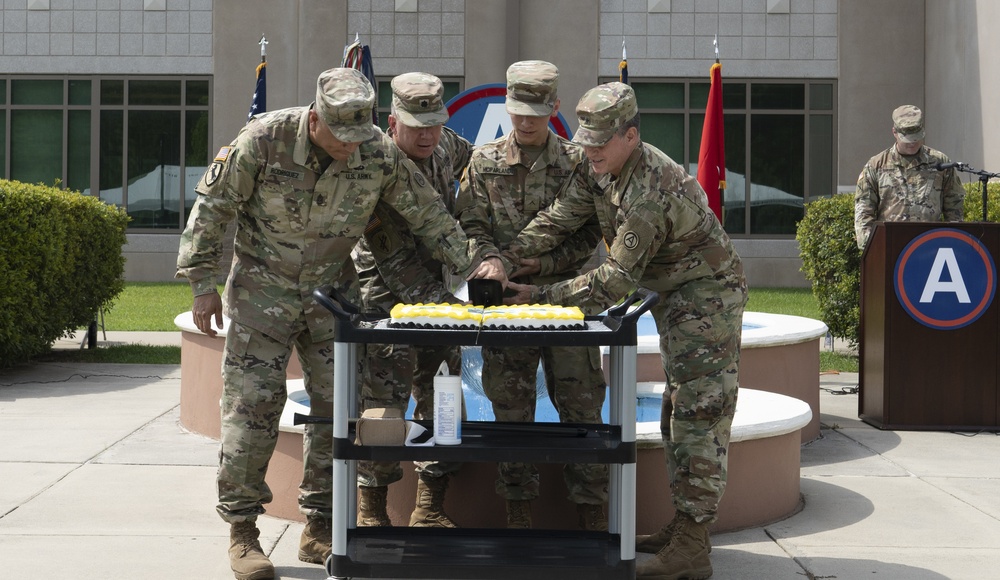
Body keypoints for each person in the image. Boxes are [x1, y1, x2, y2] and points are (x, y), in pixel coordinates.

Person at [176, 67, 506, 580]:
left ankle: (319, 527)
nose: (351, 149)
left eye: (360, 137)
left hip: (332, 297)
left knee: (339, 411)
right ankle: (243, 533)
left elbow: (428, 216)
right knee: (253, 407)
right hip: (262, 293)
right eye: (341, 138)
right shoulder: (264, 140)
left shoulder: (376, 150)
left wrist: (474, 263)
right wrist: (201, 281)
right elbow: (213, 208)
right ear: (316, 119)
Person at [503, 82, 747, 579]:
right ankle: (683, 530)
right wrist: (502, 258)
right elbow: (560, 218)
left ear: (630, 136)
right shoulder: (600, 167)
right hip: (674, 295)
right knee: (675, 412)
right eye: (585, 140)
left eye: (599, 142)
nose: (588, 150)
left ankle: (694, 547)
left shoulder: (648, 191)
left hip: (705, 296)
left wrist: (539, 298)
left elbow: (613, 280)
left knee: (699, 415)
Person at [455, 60, 609, 531]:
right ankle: (518, 514)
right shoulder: (482, 162)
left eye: (536, 113)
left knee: (581, 406)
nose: (525, 122)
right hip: (506, 308)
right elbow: (471, 223)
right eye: (519, 111)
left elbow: (592, 230)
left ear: (555, 107)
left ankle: (592, 516)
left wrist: (540, 268)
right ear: (507, 105)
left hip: (565, 300)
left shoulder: (579, 161)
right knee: (511, 410)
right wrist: (488, 261)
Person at [352, 72, 473, 529]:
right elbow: (396, 263)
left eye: (434, 123)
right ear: (391, 122)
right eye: (416, 125)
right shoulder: (372, 169)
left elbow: (480, 164)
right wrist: (449, 308)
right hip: (386, 302)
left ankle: (429, 506)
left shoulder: (444, 146)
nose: (427, 134)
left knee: (442, 397)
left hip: (437, 300)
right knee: (385, 405)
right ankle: (372, 511)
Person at [854, 104, 965, 249]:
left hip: (931, 246)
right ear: (894, 132)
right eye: (907, 138)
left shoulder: (940, 162)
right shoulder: (876, 165)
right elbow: (864, 210)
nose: (912, 142)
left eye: (916, 137)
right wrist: (870, 248)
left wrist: (953, 242)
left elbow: (954, 206)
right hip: (890, 247)